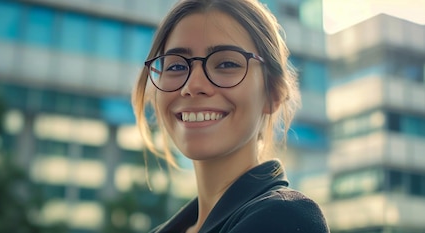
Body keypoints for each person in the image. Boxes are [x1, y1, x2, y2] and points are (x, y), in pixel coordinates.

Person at [131, 0, 330, 232]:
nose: (193, 85)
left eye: (226, 63)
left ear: (273, 94)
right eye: (176, 67)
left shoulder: (284, 218)